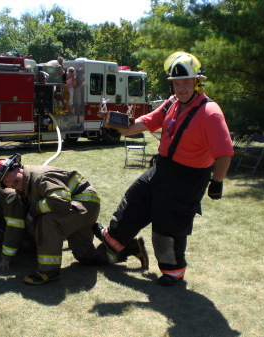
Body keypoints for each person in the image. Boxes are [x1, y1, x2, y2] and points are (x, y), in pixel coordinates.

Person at [94, 52, 234, 286]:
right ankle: (116, 244)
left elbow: (225, 152)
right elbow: (146, 122)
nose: (180, 88)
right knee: (134, 200)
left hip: (188, 178)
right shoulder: (172, 103)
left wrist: (217, 181)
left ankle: (173, 272)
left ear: (198, 83)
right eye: (176, 83)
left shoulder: (210, 112)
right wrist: (114, 125)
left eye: (186, 82)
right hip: (163, 168)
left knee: (168, 226)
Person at [0, 154, 149, 285]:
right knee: (84, 256)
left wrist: (35, 210)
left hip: (84, 203)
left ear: (17, 168)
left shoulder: (38, 177)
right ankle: (131, 248)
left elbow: (59, 201)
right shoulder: (23, 184)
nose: (9, 182)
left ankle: (48, 272)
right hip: (78, 207)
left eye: (9, 176)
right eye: (4, 183)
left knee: (47, 221)